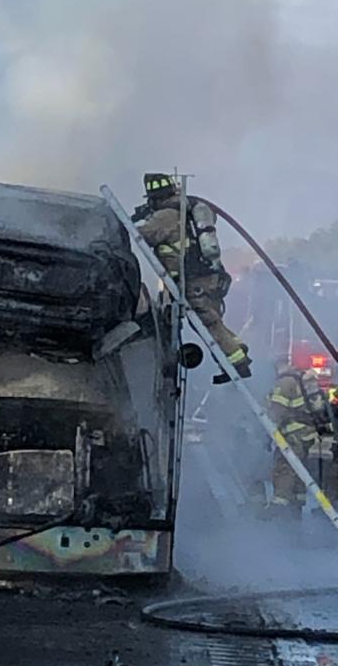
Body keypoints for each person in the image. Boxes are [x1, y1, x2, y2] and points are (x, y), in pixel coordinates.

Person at [133, 173, 251, 384]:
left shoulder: (166, 215)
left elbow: (145, 234)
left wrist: (127, 223)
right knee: (212, 320)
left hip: (193, 280)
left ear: (153, 197)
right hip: (207, 276)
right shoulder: (185, 211)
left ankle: (236, 363)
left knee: (207, 322)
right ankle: (238, 352)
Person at [267, 361, 332, 513]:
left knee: (285, 466)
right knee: (298, 468)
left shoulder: (285, 382)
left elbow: (277, 411)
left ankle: (279, 504)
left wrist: (268, 430)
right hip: (307, 434)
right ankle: (297, 501)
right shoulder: (299, 379)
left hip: (294, 434)